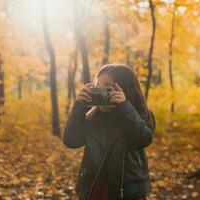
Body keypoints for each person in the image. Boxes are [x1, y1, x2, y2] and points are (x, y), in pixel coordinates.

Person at [63, 64, 156, 200]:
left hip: (127, 191)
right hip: (94, 187)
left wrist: (124, 108)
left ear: (125, 89)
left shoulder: (139, 115)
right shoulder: (93, 117)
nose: (101, 92)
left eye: (107, 87)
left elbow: (143, 139)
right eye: (98, 86)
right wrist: (79, 107)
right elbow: (71, 141)